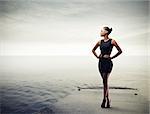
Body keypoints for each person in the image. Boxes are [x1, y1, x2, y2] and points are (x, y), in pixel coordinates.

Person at [92, 26, 122, 108]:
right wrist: (97, 56)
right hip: (101, 62)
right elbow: (93, 50)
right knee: (105, 82)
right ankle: (108, 100)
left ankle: (104, 100)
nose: (100, 32)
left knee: (105, 81)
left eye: (102, 31)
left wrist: (111, 57)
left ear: (106, 32)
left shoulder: (112, 41)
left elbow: (120, 51)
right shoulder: (100, 42)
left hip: (108, 63)